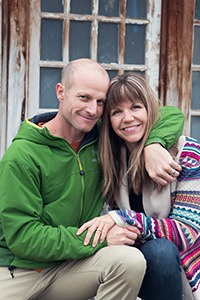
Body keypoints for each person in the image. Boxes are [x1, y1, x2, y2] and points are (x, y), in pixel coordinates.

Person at [0, 59, 184, 300]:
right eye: (84, 98)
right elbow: (24, 238)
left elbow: (170, 114)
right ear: (61, 92)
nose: (92, 110)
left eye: (101, 102)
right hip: (18, 271)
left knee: (129, 261)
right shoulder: (21, 156)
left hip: (71, 267)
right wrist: (99, 240)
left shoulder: (100, 137)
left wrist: (153, 143)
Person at [77, 72, 200, 300]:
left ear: (150, 110)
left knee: (160, 250)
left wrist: (123, 219)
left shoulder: (187, 152)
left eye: (135, 107)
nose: (127, 118)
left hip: (179, 272)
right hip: (127, 263)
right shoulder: (111, 158)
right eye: (116, 112)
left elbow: (187, 233)